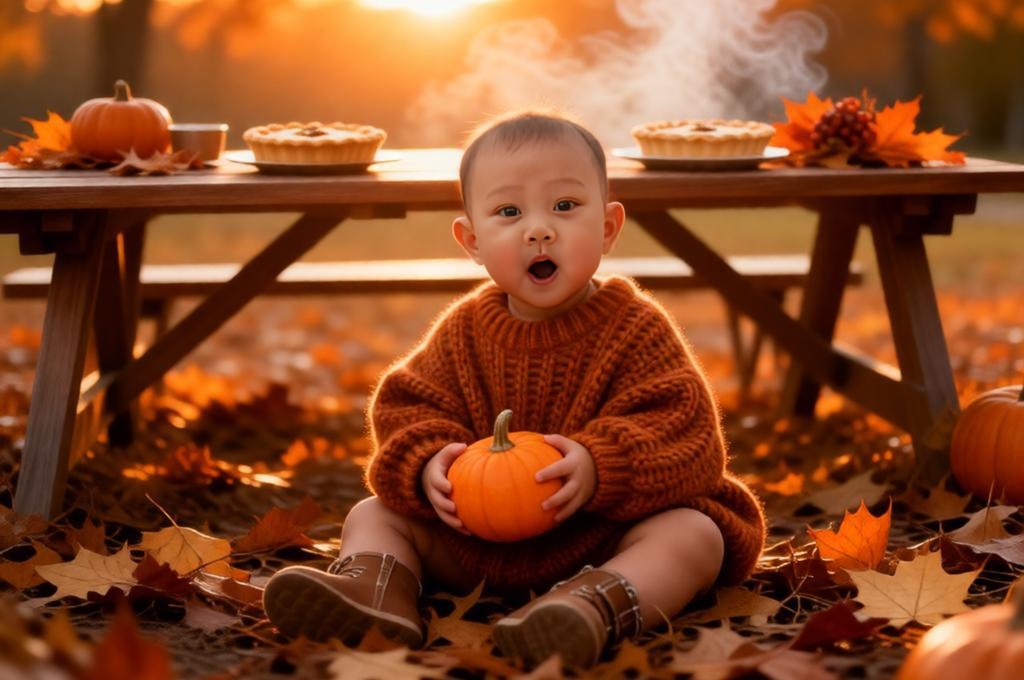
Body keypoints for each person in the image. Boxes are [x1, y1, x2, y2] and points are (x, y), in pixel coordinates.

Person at [262, 108, 766, 669]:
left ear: (607, 227)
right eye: (509, 211)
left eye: (565, 207)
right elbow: (408, 408)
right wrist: (429, 465)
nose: (539, 228)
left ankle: (594, 606)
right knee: (373, 514)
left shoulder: (636, 328)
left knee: (694, 535)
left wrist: (603, 465)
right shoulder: (461, 334)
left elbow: (687, 432)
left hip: (604, 537)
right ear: (472, 241)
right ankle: (378, 595)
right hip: (473, 541)